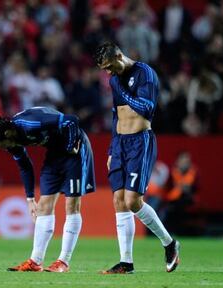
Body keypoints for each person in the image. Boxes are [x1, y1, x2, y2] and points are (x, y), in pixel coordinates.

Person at [94, 41, 180, 274]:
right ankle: (126, 263)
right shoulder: (114, 79)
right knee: (119, 201)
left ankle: (169, 243)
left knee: (133, 201)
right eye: (105, 70)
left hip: (139, 141)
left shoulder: (145, 74)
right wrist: (112, 149)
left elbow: (147, 108)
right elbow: (115, 114)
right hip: (120, 144)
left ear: (120, 56)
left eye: (111, 67)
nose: (109, 73)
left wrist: (121, 89)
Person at [0, 106, 95, 272]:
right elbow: (25, 166)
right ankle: (35, 262)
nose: (2, 149)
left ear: (6, 135)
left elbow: (72, 121)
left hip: (75, 152)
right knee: (43, 207)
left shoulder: (29, 124)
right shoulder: (12, 140)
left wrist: (71, 146)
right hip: (55, 153)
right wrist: (29, 198)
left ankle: (63, 262)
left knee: (71, 205)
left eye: (0, 145)